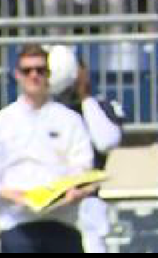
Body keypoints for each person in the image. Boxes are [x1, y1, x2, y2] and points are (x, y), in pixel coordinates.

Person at [0, 45, 94, 253]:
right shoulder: (3, 121)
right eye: (27, 70)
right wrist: (15, 196)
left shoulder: (70, 120)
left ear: (49, 74)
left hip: (62, 224)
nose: (34, 76)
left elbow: (84, 170)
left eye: (40, 70)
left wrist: (75, 191)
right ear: (17, 75)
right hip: (17, 226)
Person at [47, 45, 125, 254]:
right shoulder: (46, 112)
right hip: (53, 204)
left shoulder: (100, 106)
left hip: (90, 203)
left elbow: (107, 142)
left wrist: (85, 97)